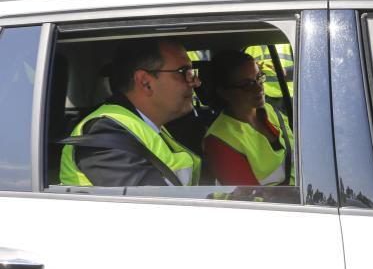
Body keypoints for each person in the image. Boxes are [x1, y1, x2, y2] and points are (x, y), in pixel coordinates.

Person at [59, 40, 202, 187]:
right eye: (184, 72)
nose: (196, 82)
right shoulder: (103, 134)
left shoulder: (144, 126)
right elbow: (154, 207)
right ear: (145, 82)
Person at [201, 50, 294, 186]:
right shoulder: (219, 140)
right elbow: (249, 200)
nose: (259, 88)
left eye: (259, 77)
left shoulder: (271, 111)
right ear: (225, 93)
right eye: (247, 85)